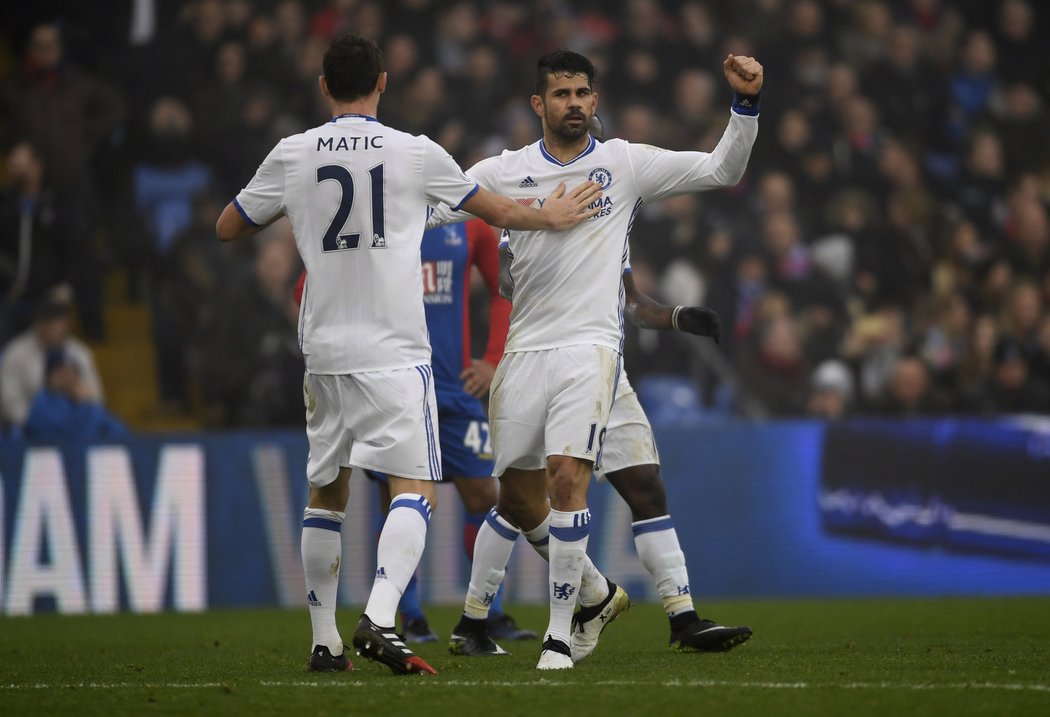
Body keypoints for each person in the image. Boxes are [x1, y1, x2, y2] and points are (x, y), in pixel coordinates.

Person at [214, 34, 601, 676]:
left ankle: (324, 642)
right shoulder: (415, 154)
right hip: (394, 350)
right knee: (415, 487)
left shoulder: (291, 153)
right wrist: (553, 215)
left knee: (326, 491)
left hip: (323, 349)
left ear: (323, 87)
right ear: (384, 83)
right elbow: (498, 209)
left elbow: (229, 226)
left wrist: (293, 212)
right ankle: (382, 616)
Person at [428, 49, 762, 669]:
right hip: (527, 351)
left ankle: (609, 627)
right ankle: (574, 601)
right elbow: (434, 205)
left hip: (594, 350)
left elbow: (723, 169)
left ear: (596, 100)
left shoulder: (623, 164)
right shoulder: (504, 172)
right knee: (518, 498)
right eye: (562, 94)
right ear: (539, 104)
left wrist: (744, 105)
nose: (575, 103)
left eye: (583, 92)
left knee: (586, 481)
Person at [1, 295, 104, 431]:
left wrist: (76, 390)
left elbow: (97, 398)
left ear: (66, 324)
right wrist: (50, 391)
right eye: (44, 323)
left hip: (75, 429)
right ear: (36, 324)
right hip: (29, 430)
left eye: (54, 323)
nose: (48, 329)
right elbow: (10, 405)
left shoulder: (79, 353)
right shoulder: (16, 354)